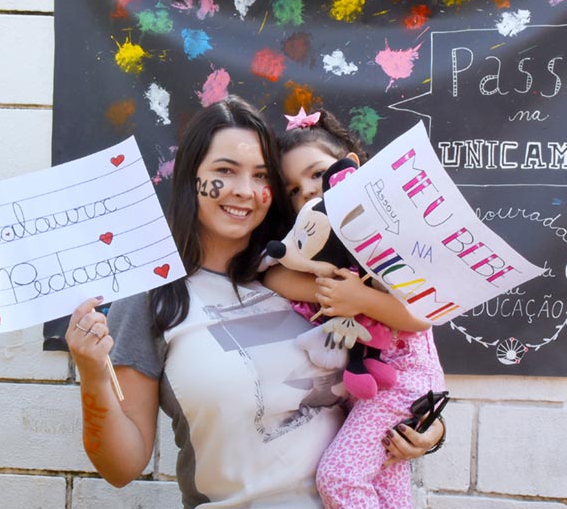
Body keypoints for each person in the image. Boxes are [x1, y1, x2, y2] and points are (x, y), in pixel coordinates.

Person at [66, 95, 444, 508]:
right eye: (225, 172)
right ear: (191, 176)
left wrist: (427, 430)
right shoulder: (154, 296)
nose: (245, 191)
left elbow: (392, 363)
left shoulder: (311, 275)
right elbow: (120, 469)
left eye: (262, 176)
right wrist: (93, 376)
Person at [263, 107, 447, 509]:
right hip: (370, 391)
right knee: (388, 490)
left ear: (351, 169)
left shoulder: (389, 238)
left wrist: (361, 299)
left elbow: (423, 316)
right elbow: (274, 277)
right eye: (293, 190)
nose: (308, 191)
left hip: (403, 383)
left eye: (316, 174)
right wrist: (324, 283)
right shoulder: (317, 256)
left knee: (340, 478)